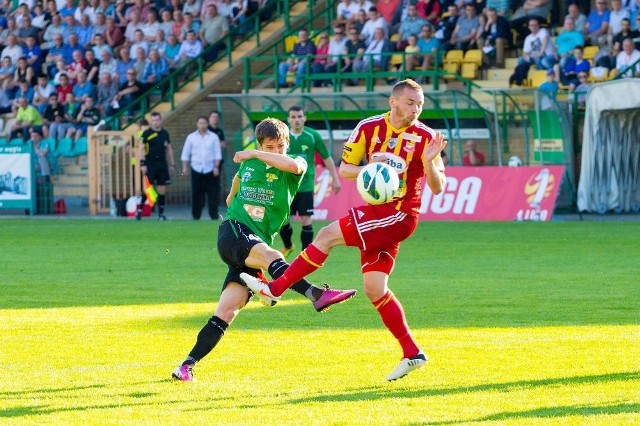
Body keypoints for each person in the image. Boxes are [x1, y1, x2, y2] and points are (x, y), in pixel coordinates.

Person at [241, 79, 447, 382]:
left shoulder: (426, 137)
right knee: (375, 288)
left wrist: (429, 163)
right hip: (378, 212)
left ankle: (276, 289)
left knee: (326, 235)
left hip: (399, 214)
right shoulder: (368, 128)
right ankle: (412, 352)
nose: (416, 109)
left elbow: (438, 187)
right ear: (393, 102)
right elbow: (346, 169)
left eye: (420, 104)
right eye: (411, 102)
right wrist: (373, 171)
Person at [171, 117, 357, 382]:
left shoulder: (296, 165)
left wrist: (254, 152)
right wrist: (231, 195)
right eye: (270, 147)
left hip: (252, 247)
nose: (277, 151)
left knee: (226, 312)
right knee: (274, 257)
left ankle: (186, 365)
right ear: (261, 144)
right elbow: (237, 180)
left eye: (281, 146)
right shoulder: (251, 162)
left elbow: (292, 164)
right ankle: (316, 294)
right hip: (234, 232)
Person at [279, 105, 341, 257]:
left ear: (304, 118)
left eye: (300, 116)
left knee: (306, 219)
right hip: (286, 185)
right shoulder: (281, 135)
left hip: (305, 185)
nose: (297, 120)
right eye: (293, 117)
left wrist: (335, 178)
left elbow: (327, 157)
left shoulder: (312, 135)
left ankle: (305, 256)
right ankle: (288, 245)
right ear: (288, 119)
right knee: (283, 220)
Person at [181, 116, 223, 220]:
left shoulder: (214, 137)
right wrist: (184, 167)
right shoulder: (191, 137)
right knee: (196, 193)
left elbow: (218, 154)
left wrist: (216, 167)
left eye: (204, 123)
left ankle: (213, 215)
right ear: (197, 124)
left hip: (211, 169)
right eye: (200, 123)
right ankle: (196, 216)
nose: (202, 125)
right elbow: (185, 154)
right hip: (196, 168)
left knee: (213, 193)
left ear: (207, 124)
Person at [137, 112, 176, 221]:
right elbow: (140, 149)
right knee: (148, 189)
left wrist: (172, 164)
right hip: (150, 164)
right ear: (150, 121)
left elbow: (169, 149)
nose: (155, 122)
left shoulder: (164, 133)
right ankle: (139, 211)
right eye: (153, 120)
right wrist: (142, 163)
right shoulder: (146, 133)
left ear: (161, 120)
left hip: (162, 165)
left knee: (162, 189)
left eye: (157, 120)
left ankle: (161, 214)